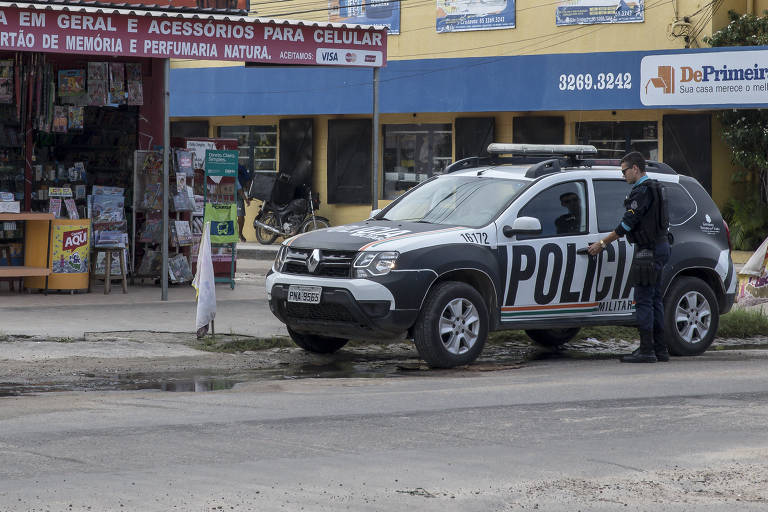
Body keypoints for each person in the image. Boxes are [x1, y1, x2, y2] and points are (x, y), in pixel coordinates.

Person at [587, 151, 670, 363]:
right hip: (660, 246)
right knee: (655, 300)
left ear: (635, 168)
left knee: (643, 300)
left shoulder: (641, 191)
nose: (622, 175)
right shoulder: (656, 187)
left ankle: (646, 350)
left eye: (624, 171)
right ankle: (660, 350)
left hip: (647, 251)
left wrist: (602, 243)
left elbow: (626, 225)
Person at [236, 164, 252, 242]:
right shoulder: (224, 166)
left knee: (241, 216)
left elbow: (247, 181)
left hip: (239, 195)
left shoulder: (241, 168)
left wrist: (248, 195)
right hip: (225, 195)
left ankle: (240, 233)